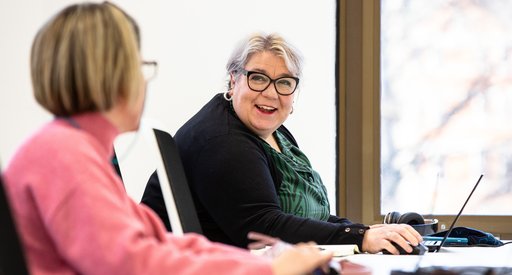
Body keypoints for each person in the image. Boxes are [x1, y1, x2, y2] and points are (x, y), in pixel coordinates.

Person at [1, 3, 333, 275]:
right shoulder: (62, 156)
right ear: (109, 78)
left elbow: (163, 243)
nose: (145, 81)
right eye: (139, 66)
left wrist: (262, 264)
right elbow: (134, 264)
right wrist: (268, 271)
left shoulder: (79, 152)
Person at [142, 32, 423, 255]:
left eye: (284, 82)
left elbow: (302, 215)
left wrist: (363, 231)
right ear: (233, 80)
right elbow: (264, 226)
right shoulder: (223, 142)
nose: (270, 93)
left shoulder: (275, 134)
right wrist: (360, 238)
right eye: (258, 78)